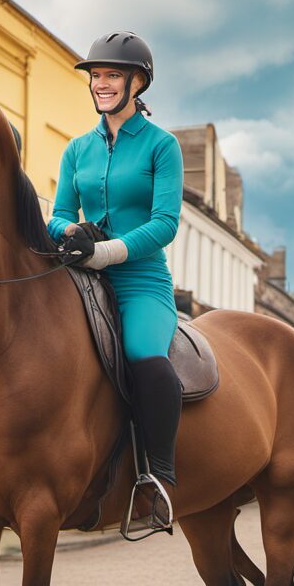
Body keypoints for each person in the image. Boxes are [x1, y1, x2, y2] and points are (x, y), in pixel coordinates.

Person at [49, 31, 184, 533]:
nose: (101, 84)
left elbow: (166, 223)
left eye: (111, 76)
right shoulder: (77, 149)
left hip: (140, 282)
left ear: (138, 81)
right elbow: (58, 214)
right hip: (80, 275)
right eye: (96, 76)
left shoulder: (162, 146)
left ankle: (159, 478)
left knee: (145, 358)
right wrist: (73, 231)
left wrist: (107, 250)